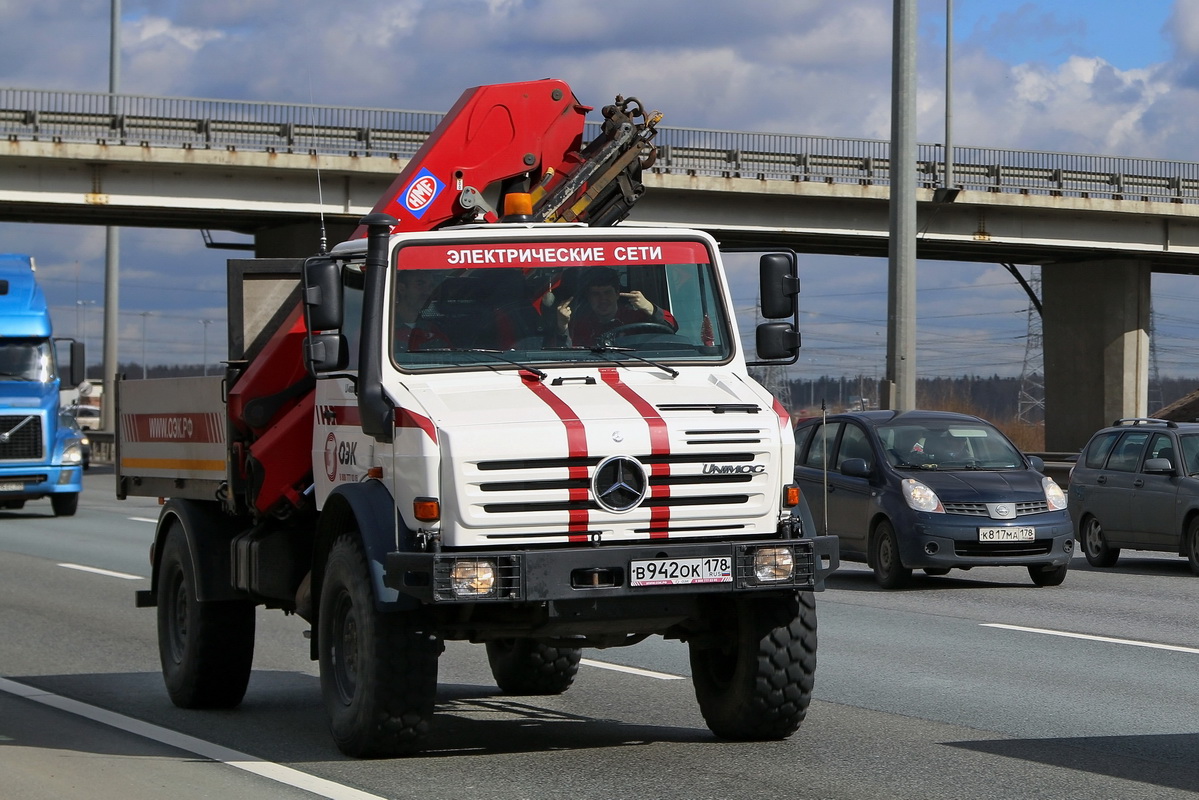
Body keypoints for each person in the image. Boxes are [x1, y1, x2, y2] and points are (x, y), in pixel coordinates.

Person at [554, 267, 677, 345]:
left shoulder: (637, 318)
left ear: (618, 294)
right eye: (596, 294)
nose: (603, 299)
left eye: (607, 292)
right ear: (588, 297)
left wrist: (649, 307)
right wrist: (562, 326)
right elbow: (563, 353)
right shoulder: (579, 324)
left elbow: (672, 327)